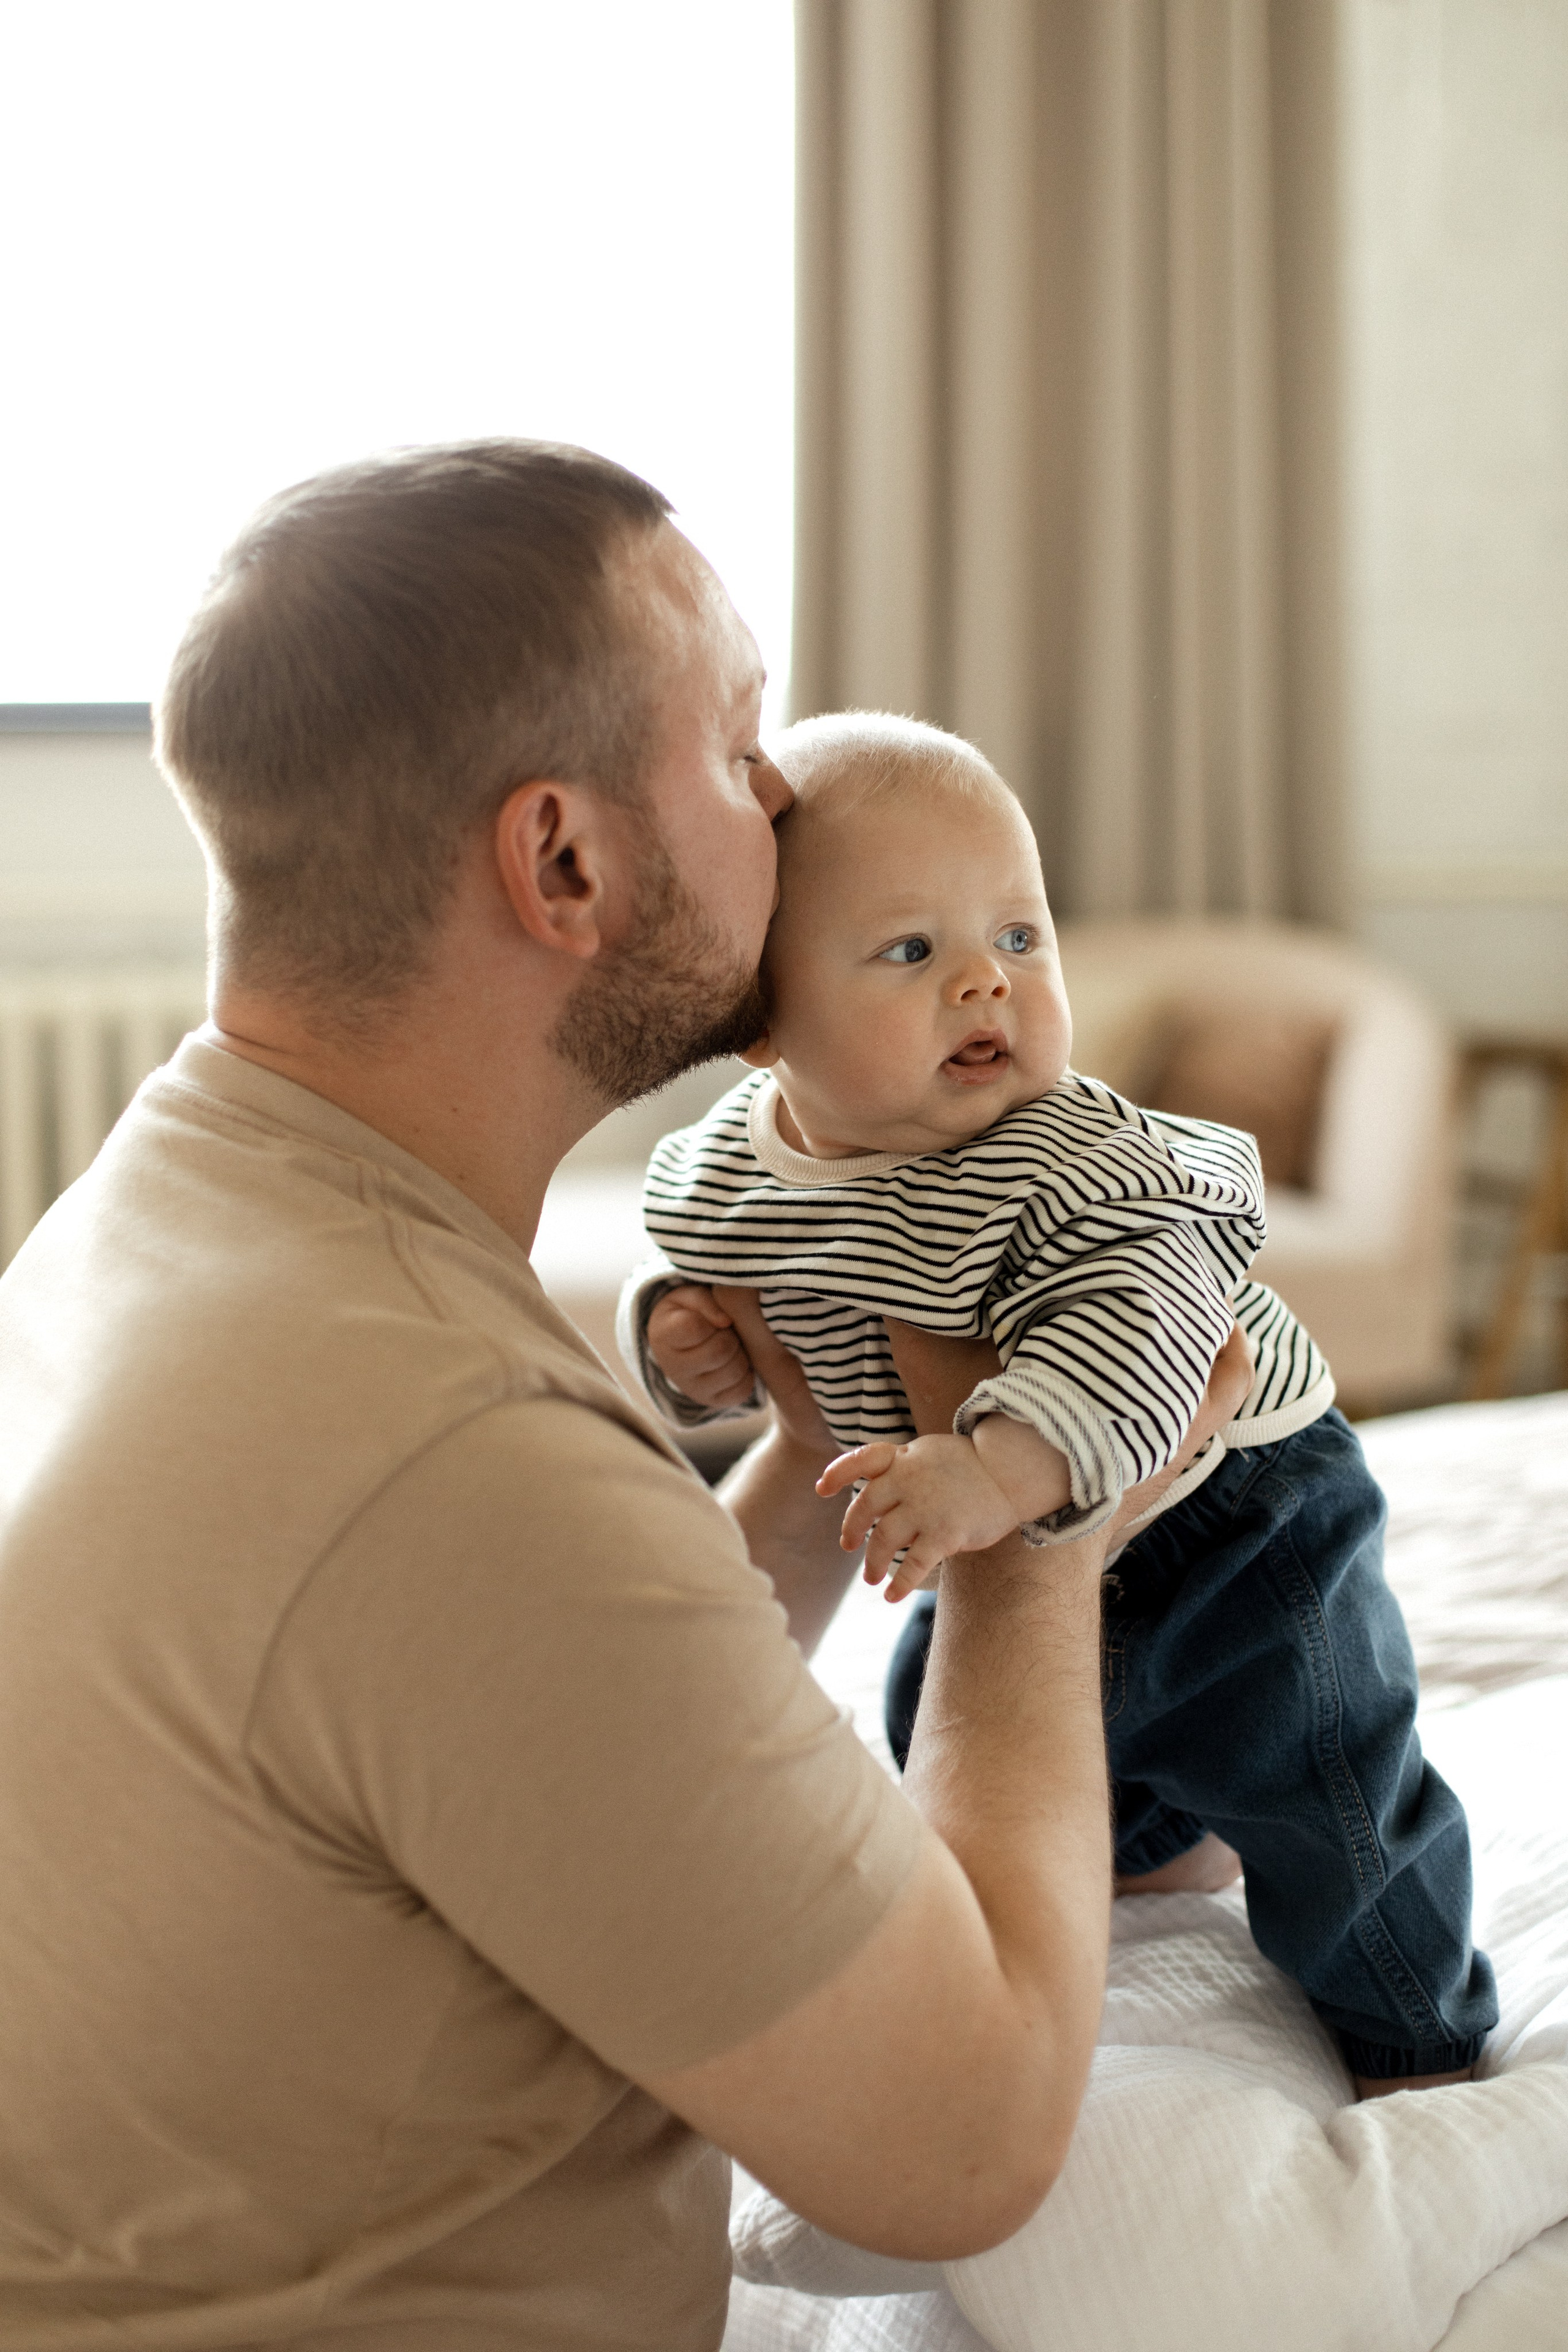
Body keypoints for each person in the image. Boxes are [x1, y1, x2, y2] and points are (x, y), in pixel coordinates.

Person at [0, 442, 1245, 2352]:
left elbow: (534, 1721)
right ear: (564, 859)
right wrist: (1045, 1535)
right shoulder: (446, 1457)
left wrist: (825, 1449)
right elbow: (966, 2141)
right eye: (746, 746)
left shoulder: (153, 1218)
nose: (785, 797)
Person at [622, 710, 1498, 2100]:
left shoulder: (1084, 1170)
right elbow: (716, 1286)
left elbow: (1147, 1344)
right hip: (984, 1515)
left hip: (1233, 1509)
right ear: (756, 1022)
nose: (985, 983)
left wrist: (991, 1480)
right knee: (942, 1738)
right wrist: (684, 1345)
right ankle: (1150, 1842)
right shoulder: (731, 1169)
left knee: (1315, 1775)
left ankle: (1416, 2036)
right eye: (911, 951)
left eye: (1019, 938)